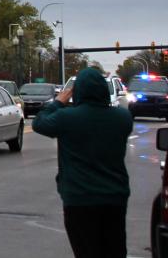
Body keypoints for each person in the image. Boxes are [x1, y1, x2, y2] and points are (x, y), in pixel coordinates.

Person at [32, 67, 134, 257]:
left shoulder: (67, 118)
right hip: (115, 197)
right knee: (114, 250)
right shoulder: (123, 118)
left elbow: (39, 123)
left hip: (79, 199)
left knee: (86, 251)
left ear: (78, 92)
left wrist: (57, 103)